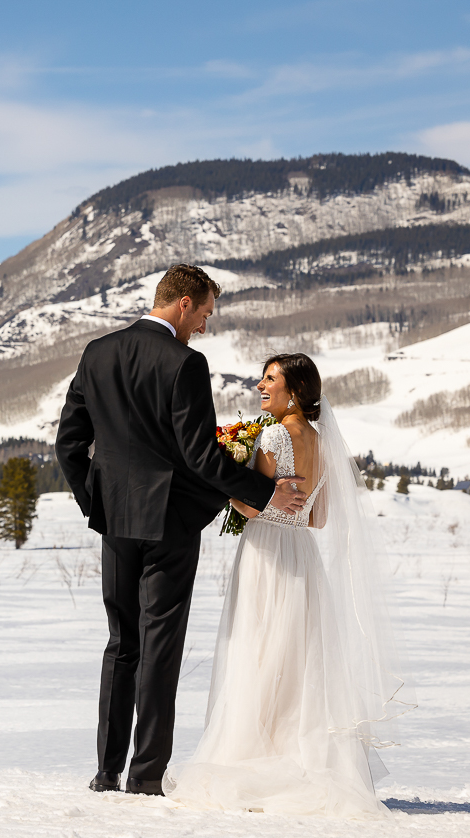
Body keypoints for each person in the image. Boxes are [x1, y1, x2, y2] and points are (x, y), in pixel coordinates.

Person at [55, 264, 308, 796]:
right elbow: (198, 455)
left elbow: (68, 446)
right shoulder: (184, 363)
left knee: (121, 644)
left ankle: (106, 772)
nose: (205, 327)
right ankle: (145, 778)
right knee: (160, 646)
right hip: (169, 521)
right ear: (185, 304)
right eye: (207, 313)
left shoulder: (96, 353)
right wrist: (265, 492)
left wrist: (96, 502)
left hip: (116, 522)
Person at [163, 354, 410, 816]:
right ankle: (294, 753)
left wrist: (223, 481)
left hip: (267, 555)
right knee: (296, 661)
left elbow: (254, 508)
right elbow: (317, 518)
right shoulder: (322, 441)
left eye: (270, 379)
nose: (260, 385)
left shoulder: (275, 435)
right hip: (302, 556)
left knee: (257, 652)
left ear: (293, 391)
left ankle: (253, 758)